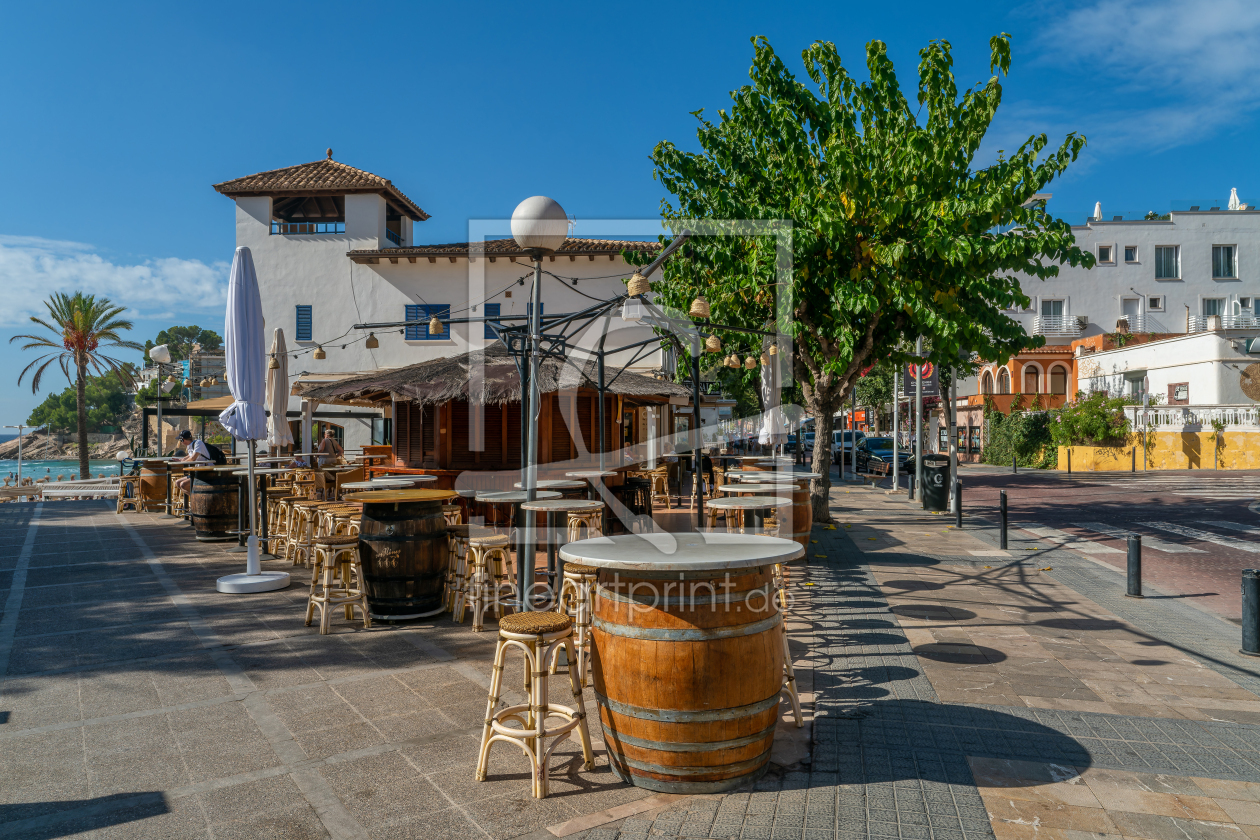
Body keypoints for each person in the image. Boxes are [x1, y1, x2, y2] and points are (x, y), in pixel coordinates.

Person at [173, 431, 213, 497]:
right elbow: (189, 455)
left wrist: (182, 462)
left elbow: (193, 458)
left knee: (183, 484)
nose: (181, 443)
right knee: (177, 483)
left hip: (205, 472)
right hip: (197, 472)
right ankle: (196, 499)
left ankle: (197, 500)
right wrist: (181, 459)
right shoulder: (190, 446)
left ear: (183, 439)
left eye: (180, 440)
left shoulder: (198, 443)